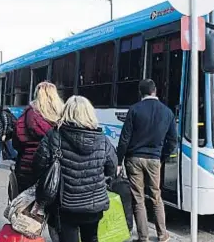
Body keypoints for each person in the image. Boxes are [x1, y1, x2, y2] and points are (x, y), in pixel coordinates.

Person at [33, 95, 117, 242]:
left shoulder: (54, 136)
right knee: (91, 238)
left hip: (65, 207)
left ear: (66, 112)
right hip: (94, 206)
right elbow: (112, 167)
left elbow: (38, 166)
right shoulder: (103, 139)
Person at [116, 79, 177, 242]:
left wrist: (118, 161)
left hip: (134, 159)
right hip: (154, 159)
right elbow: (172, 141)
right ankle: (162, 234)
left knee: (138, 198)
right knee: (156, 197)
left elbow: (124, 139)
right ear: (155, 90)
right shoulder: (167, 112)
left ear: (140, 92)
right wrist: (161, 157)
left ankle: (143, 237)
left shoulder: (134, 110)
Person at [12, 81, 63, 192]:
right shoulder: (61, 118)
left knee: (25, 205)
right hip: (53, 171)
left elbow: (16, 144)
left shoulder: (25, 116)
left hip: (26, 168)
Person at [0, 103, 17, 172]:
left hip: (7, 135)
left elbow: (6, 124)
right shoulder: (0, 113)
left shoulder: (3, 113)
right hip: (5, 136)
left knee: (12, 152)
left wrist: (4, 134)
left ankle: (21, 163)